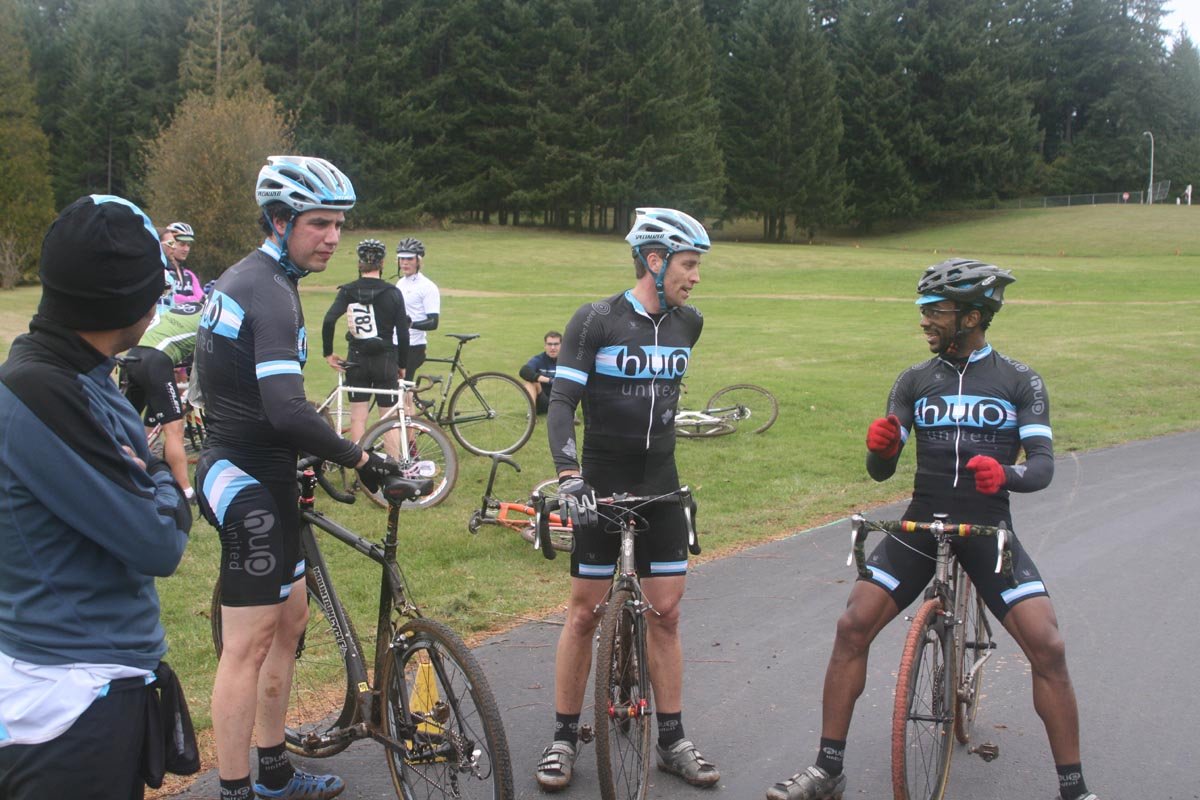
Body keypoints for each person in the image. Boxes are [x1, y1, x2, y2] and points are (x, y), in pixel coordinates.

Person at [766, 259, 1098, 800]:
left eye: (935, 310)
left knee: (1049, 646)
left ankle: (1075, 789)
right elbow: (882, 470)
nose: (924, 320)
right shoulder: (914, 380)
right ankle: (827, 769)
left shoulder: (1020, 380)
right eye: (924, 309)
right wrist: (881, 449)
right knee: (852, 626)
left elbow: (1041, 466)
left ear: (973, 316)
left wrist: (1006, 474)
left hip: (987, 529)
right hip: (922, 523)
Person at [193, 156, 397, 800]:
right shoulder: (267, 291)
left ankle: (275, 770)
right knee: (248, 645)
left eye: (338, 224)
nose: (333, 238)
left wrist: (307, 450)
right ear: (279, 221)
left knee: (289, 622)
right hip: (242, 478)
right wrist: (360, 458)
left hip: (267, 468)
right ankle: (234, 789)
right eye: (319, 224)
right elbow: (284, 409)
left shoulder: (257, 280)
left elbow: (251, 394)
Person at [0, 195, 192, 799]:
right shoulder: (45, 392)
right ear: (129, 304)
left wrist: (146, 471)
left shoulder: (74, 371)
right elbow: (159, 540)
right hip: (67, 699)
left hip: (79, 684)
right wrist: (168, 479)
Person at [536, 208, 719, 792]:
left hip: (661, 483)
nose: (695, 277)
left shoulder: (690, 324)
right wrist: (569, 475)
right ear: (655, 261)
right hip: (600, 480)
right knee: (583, 612)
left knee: (667, 614)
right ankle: (564, 737)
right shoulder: (596, 320)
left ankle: (672, 739)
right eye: (688, 265)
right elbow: (561, 402)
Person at [321, 238, 410, 443]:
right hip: (385, 359)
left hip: (357, 359)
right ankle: (393, 462)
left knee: (358, 417)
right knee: (388, 419)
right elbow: (403, 333)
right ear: (382, 263)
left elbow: (329, 320)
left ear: (359, 263)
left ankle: (359, 462)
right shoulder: (393, 293)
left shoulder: (348, 291)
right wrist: (402, 364)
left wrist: (328, 353)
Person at [123, 299, 204, 500]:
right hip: (156, 360)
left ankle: (129, 472)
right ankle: (185, 490)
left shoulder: (187, 308)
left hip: (133, 355)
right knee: (174, 429)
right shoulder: (212, 317)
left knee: (126, 422)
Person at [394, 236, 440, 380]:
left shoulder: (427, 287)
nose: (405, 262)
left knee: (403, 385)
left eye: (409, 259)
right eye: (402, 259)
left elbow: (433, 322)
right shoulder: (400, 283)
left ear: (418, 261)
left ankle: (409, 395)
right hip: (395, 342)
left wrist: (410, 324)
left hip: (414, 345)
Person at [161, 222, 205, 305]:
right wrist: (192, 299)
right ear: (171, 243)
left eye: (188, 245)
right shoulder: (162, 271)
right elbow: (169, 297)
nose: (186, 249)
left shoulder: (189, 275)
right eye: (182, 244)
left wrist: (183, 299)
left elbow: (202, 298)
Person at [519, 330, 561, 414]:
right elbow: (524, 371)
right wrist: (549, 380)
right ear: (545, 346)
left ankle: (572, 413)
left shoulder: (567, 361)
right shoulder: (539, 359)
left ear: (562, 345)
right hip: (542, 400)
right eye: (549, 344)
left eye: (556, 344)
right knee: (530, 382)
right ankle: (531, 414)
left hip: (560, 401)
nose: (552, 348)